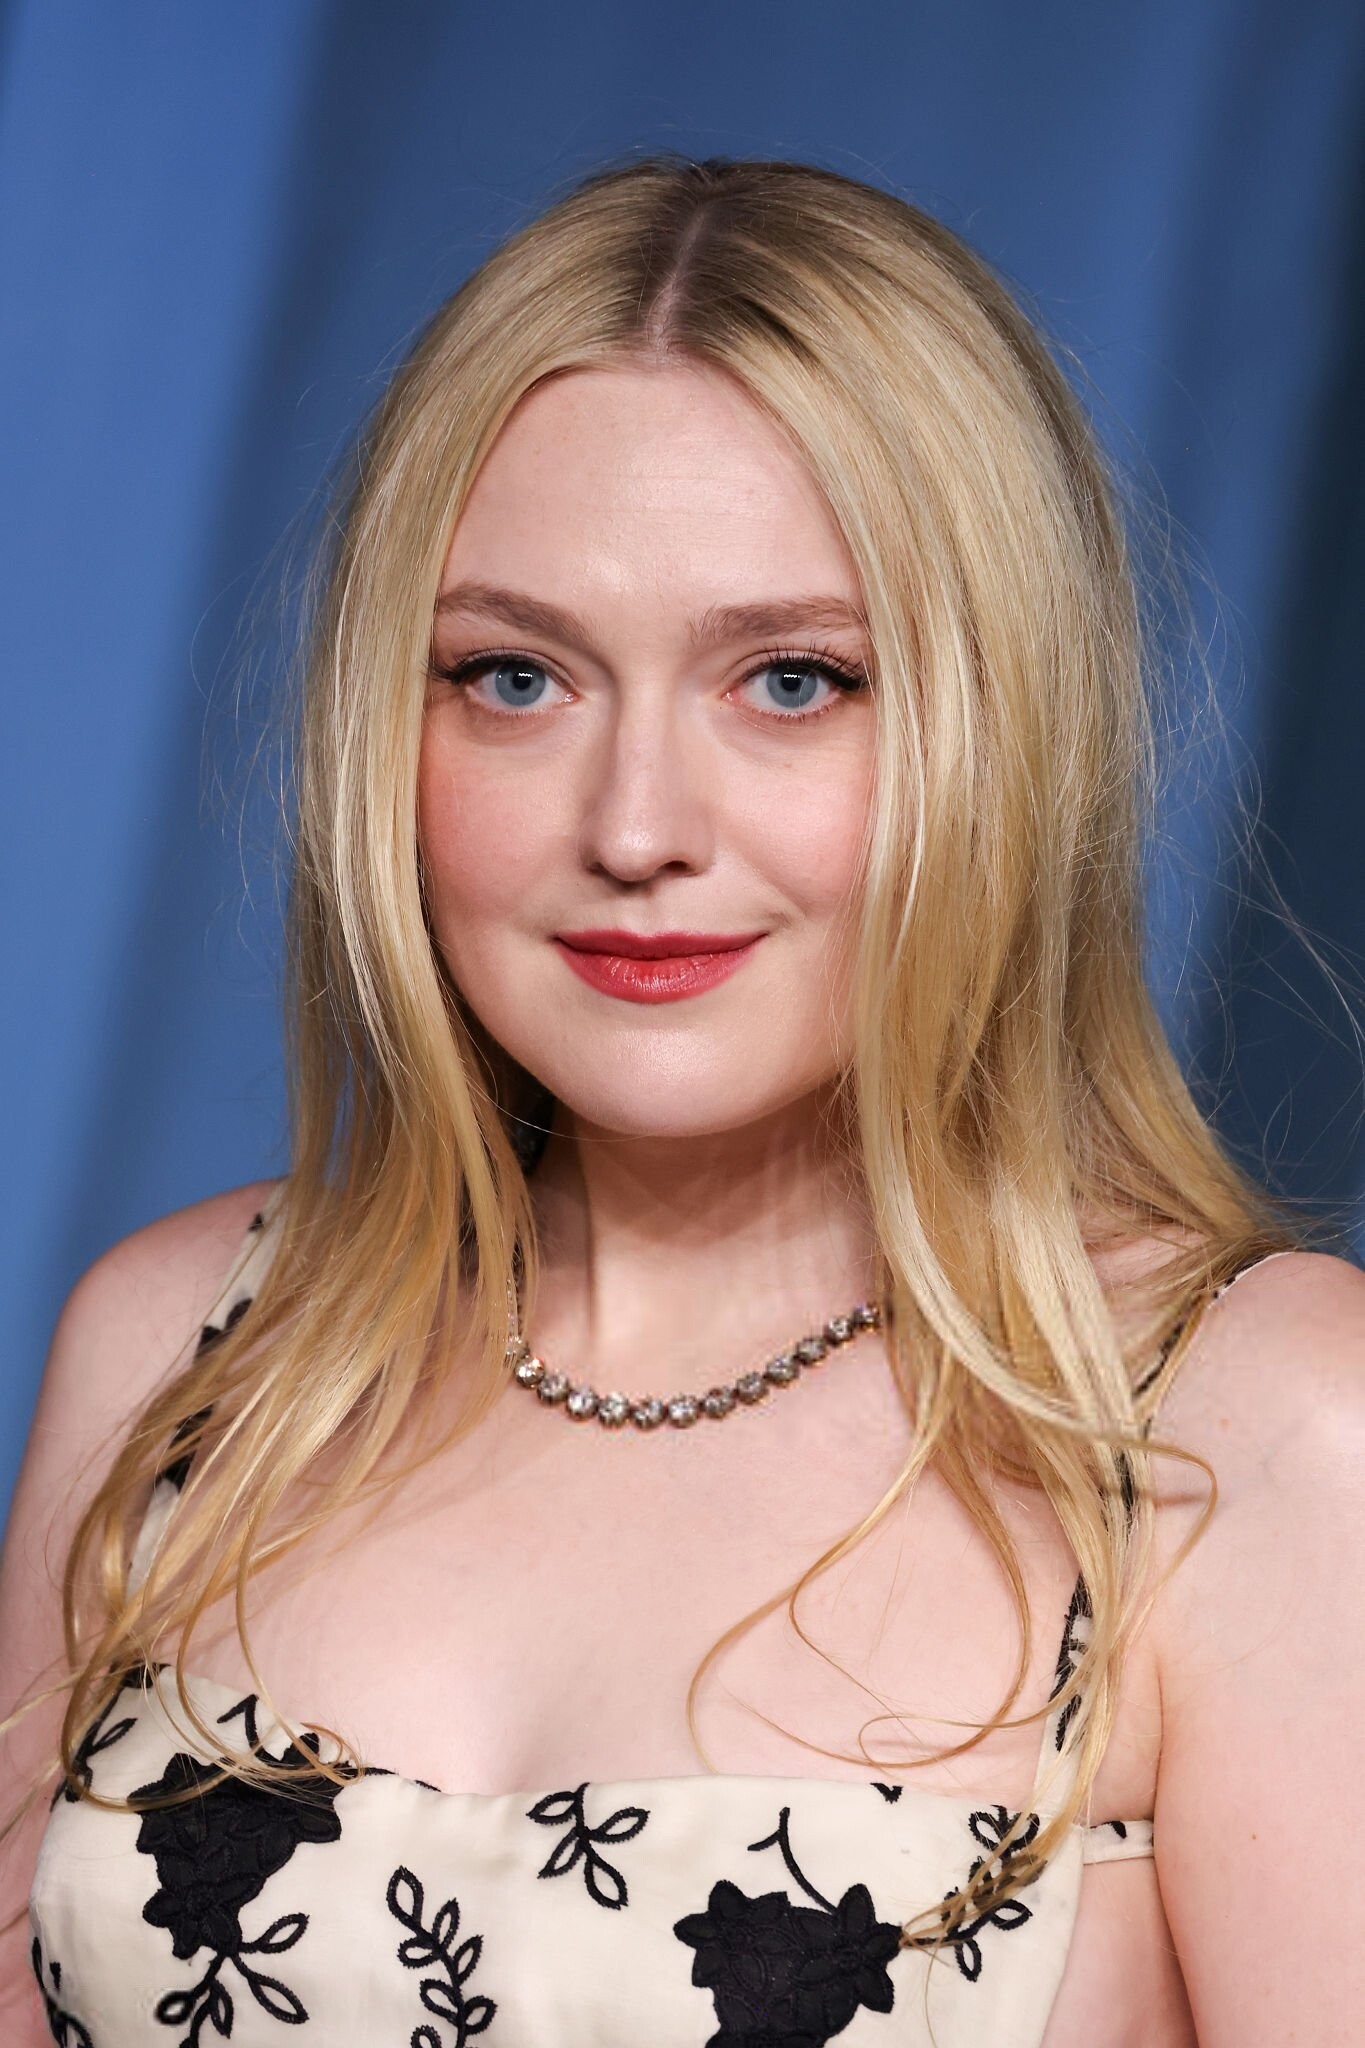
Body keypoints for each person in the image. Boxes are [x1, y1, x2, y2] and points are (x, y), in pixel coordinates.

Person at [1, 155, 1361, 2048]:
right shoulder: (186, 1355)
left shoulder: (1249, 1431)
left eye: (792, 681)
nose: (636, 826)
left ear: (1004, 726)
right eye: (515, 677)